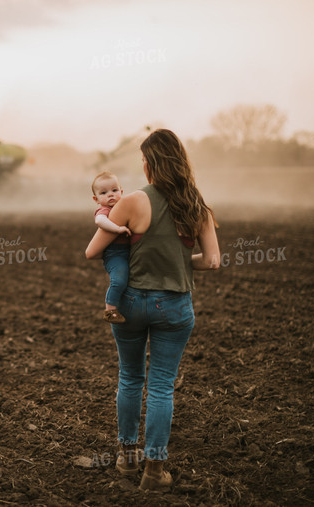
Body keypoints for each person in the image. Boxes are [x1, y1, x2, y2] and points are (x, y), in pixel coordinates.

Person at [85, 129, 220, 491]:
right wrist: (178, 260)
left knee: (130, 378)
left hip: (131, 303)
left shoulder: (132, 202)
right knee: (161, 387)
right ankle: (155, 471)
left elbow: (94, 249)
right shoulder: (197, 206)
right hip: (174, 306)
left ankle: (127, 459)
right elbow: (212, 261)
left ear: (149, 165)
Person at [91, 171, 132, 324]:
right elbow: (100, 221)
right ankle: (110, 310)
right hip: (115, 254)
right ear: (96, 199)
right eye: (104, 193)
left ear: (121, 192)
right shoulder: (104, 211)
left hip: (128, 252)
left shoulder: (124, 208)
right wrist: (117, 229)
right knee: (119, 279)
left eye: (114, 191)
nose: (110, 195)